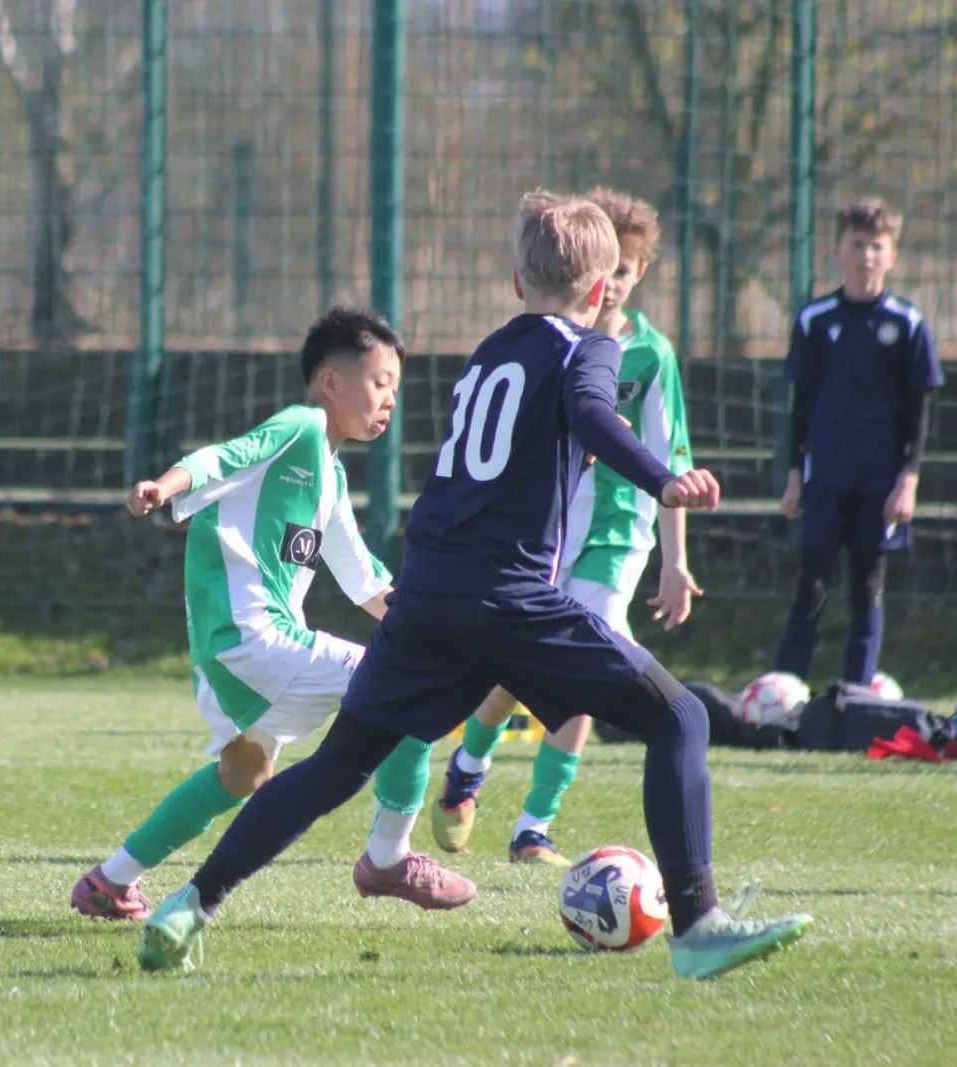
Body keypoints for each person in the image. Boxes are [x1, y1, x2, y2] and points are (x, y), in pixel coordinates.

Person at [137, 190, 813, 981]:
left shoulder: (490, 353)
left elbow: (526, 443)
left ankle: (189, 902)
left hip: (428, 593)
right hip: (509, 597)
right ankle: (698, 924)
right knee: (679, 716)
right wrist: (661, 479)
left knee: (335, 766)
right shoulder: (590, 346)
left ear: (518, 283)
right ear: (602, 290)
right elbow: (591, 411)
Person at [70, 306, 468, 922]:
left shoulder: (330, 475)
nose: (390, 399)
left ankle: (110, 881)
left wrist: (442, 625)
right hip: (252, 637)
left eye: (395, 386)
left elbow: (365, 583)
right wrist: (165, 486)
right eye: (380, 381)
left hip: (230, 651)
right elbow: (223, 455)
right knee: (406, 691)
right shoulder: (302, 426)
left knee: (243, 775)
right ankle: (388, 858)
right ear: (330, 382)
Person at [431, 187, 700, 868]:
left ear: (636, 275)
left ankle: (533, 826)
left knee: (586, 656)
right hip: (552, 524)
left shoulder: (650, 355)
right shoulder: (551, 344)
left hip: (617, 531)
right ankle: (469, 764)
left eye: (627, 273)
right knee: (528, 662)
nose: (614, 286)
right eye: (608, 272)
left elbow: (669, 459)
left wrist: (675, 560)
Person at [774, 197, 942, 685]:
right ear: (837, 251)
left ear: (892, 255)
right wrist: (793, 476)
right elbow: (801, 405)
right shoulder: (815, 319)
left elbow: (918, 410)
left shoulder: (907, 323)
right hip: (825, 478)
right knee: (812, 585)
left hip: (880, 482)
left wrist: (908, 479)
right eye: (857, 244)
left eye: (876, 246)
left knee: (867, 589)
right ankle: (783, 696)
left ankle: (856, 697)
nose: (866, 255)